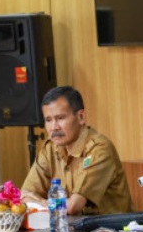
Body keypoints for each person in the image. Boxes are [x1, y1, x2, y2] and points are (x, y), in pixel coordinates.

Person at [21, 86, 132, 215]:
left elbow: (73, 206)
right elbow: (24, 196)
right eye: (48, 120)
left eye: (60, 118)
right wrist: (51, 203)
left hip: (111, 231)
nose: (54, 127)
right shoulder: (49, 148)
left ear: (81, 117)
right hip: (71, 230)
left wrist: (42, 203)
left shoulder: (100, 149)